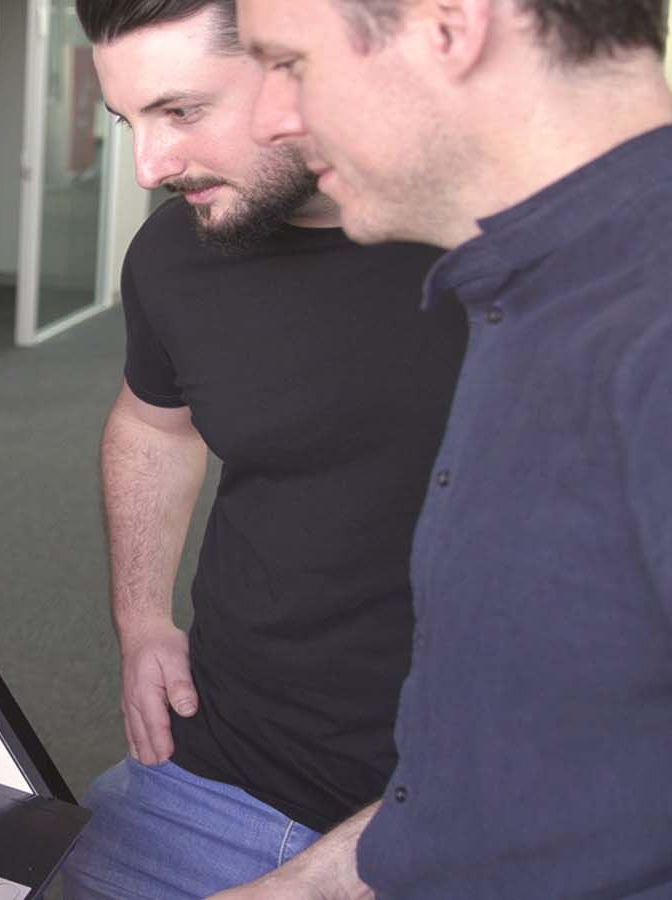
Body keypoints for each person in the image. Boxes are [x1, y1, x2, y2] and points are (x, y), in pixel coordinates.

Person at [214, 0, 672, 896]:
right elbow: (540, 767)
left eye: (290, 63)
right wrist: (303, 885)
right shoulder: (527, 289)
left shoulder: (648, 336)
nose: (270, 117)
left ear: (450, 25)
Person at [59, 1, 468, 896]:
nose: (149, 166)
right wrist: (140, 620)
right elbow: (152, 421)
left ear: (301, 65)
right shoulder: (177, 251)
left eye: (183, 111)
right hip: (225, 767)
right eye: (129, 122)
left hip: (479, 811)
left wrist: (320, 880)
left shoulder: (519, 257)